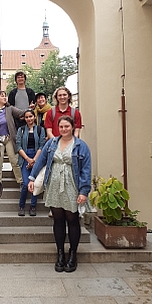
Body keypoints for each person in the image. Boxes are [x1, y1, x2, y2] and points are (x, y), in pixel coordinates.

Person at [28, 116, 91, 273]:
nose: (64, 129)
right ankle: (60, 254)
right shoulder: (51, 143)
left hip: (72, 186)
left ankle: (73, 255)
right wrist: (32, 178)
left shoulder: (80, 146)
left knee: (72, 219)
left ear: (72, 127)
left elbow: (86, 169)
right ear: (58, 128)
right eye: (61, 127)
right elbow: (41, 160)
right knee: (58, 220)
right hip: (54, 185)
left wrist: (84, 191)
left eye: (67, 126)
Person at [0, 90, 25, 184]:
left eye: (5, 96)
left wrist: (31, 109)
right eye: (2, 96)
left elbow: (21, 113)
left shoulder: (10, 109)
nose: (5, 97)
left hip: (9, 138)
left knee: (14, 161)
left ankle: (21, 182)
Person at [15, 110, 46, 217]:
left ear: (34, 117)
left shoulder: (40, 129)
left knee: (35, 184)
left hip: (37, 157)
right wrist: (28, 159)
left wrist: (34, 160)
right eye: (27, 117)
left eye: (31, 116)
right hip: (25, 157)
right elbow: (18, 146)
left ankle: (33, 206)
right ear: (25, 118)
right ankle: (21, 206)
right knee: (25, 184)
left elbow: (42, 146)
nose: (29, 119)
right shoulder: (21, 130)